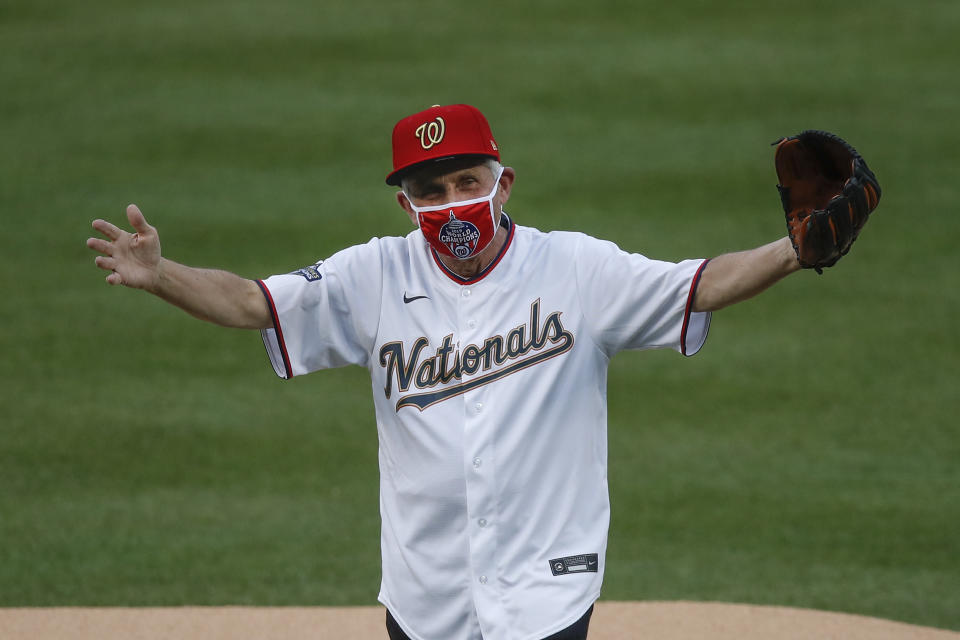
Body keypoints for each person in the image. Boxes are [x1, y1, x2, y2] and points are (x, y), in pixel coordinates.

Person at [87, 104, 802, 640]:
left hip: (544, 592)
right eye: (431, 191)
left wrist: (796, 249)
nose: (452, 203)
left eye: (467, 181)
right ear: (406, 203)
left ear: (504, 184)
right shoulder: (371, 274)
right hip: (425, 598)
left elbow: (700, 284)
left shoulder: (576, 268)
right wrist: (161, 276)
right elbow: (253, 302)